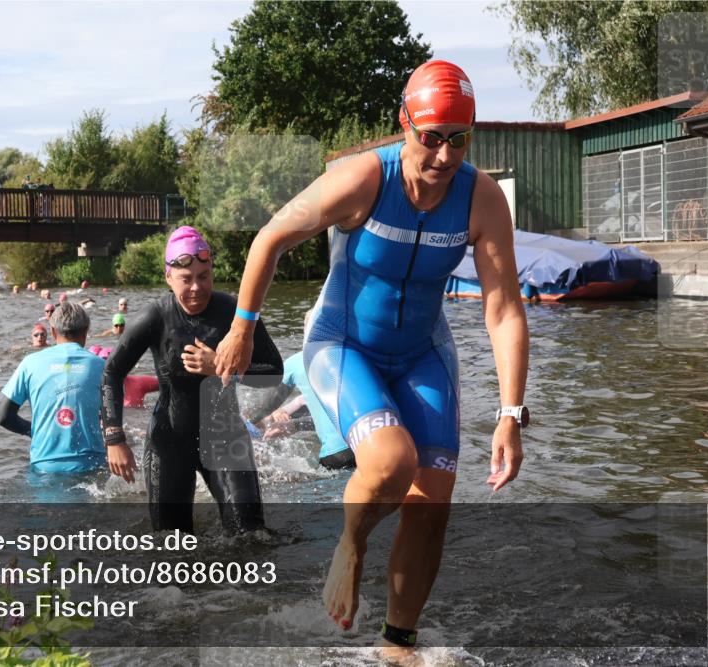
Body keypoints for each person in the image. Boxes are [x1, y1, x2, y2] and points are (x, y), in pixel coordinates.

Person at [212, 60, 529, 648]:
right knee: (391, 462)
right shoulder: (365, 179)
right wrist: (242, 327)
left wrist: (510, 413)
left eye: (457, 141)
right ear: (404, 123)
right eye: (429, 137)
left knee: (432, 505)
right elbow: (271, 237)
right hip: (343, 344)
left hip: (423, 354)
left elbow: (504, 308)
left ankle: (397, 643)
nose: (441, 156)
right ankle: (350, 547)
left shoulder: (479, 199)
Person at [102, 226, 283, 534]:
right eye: (186, 279)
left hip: (225, 438)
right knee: (170, 545)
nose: (197, 287)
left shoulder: (235, 313)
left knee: (251, 536)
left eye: (204, 276)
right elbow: (112, 372)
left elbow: (274, 372)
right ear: (168, 277)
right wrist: (114, 439)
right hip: (170, 440)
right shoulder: (155, 316)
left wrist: (221, 366)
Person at [0, 301, 107, 473]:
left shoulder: (30, 363)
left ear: (53, 332)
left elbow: (4, 417)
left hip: (45, 465)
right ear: (86, 332)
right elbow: (113, 417)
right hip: (92, 464)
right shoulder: (101, 366)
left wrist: (34, 431)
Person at [246, 351, 353, 470]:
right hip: (369, 445)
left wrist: (249, 424)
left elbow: (264, 408)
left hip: (336, 453)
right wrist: (293, 424)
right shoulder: (358, 357)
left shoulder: (298, 361)